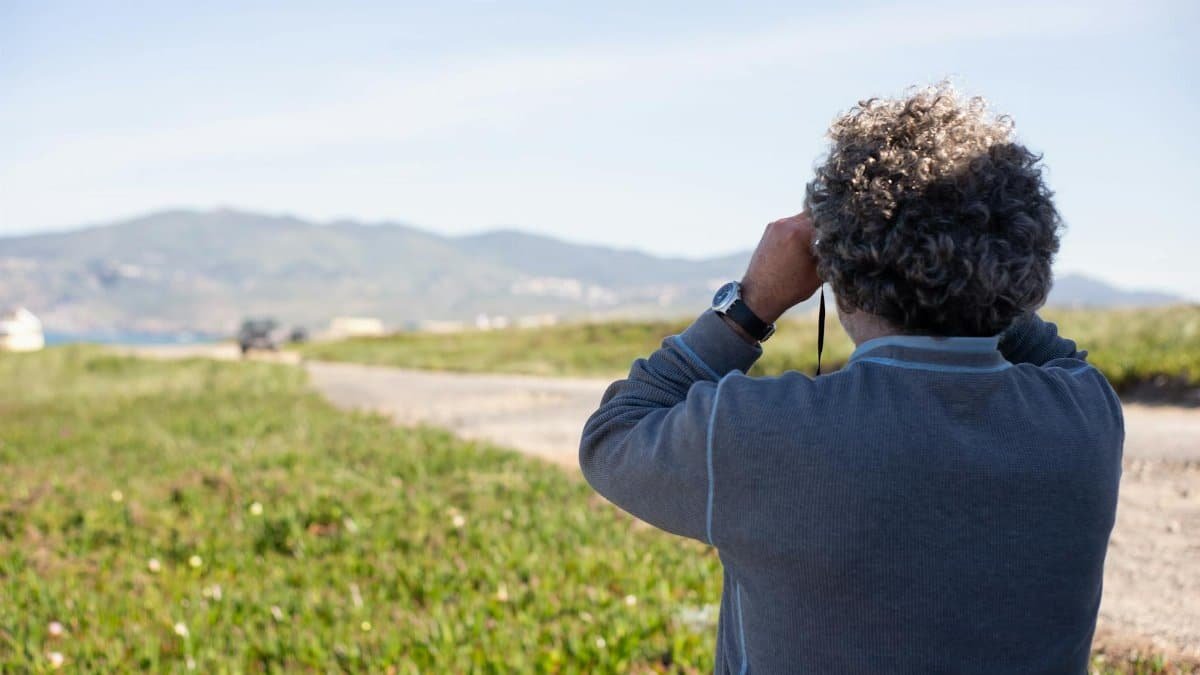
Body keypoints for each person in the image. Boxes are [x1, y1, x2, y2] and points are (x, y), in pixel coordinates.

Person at [579, 83, 1123, 674]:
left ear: (834, 264)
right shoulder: (1087, 416)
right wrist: (977, 268)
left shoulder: (759, 432)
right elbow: (1059, 357)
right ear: (1027, 248)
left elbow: (614, 435)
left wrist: (749, 306)